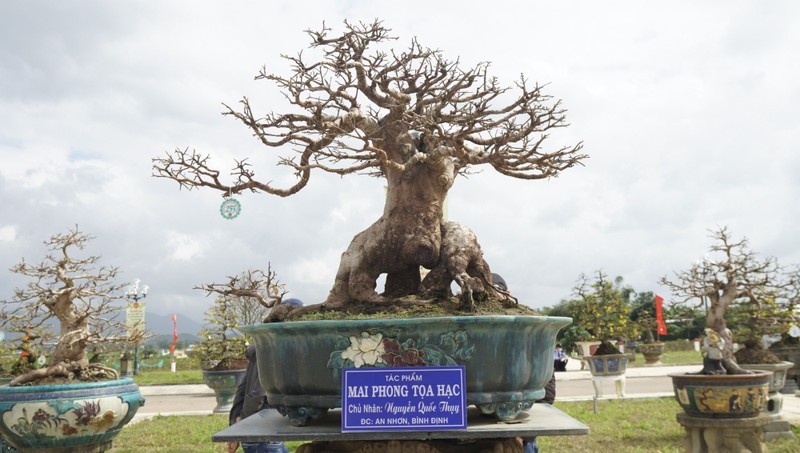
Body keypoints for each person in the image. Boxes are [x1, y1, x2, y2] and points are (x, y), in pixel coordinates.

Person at [227, 298, 304, 453]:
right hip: (263, 433)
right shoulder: (271, 350)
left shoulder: (265, 347)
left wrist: (235, 428)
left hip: (261, 432)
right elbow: (256, 392)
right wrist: (245, 425)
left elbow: (242, 391)